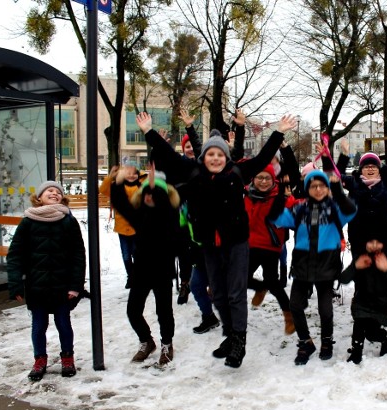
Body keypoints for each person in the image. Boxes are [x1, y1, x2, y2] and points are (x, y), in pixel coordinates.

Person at [137, 111, 298, 368]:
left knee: (235, 293)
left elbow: (262, 158)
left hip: (236, 242)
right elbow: (167, 155)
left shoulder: (237, 172)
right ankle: (230, 333)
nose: (215, 158)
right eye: (211, 154)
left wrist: (278, 131)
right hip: (209, 244)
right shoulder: (193, 171)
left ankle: (238, 342)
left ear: (226, 157)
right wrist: (148, 132)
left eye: (220, 154)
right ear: (204, 157)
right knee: (219, 295)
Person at [271, 170, 357, 365]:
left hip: (326, 265)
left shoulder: (335, 209)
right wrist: (279, 194)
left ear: (327, 188)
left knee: (325, 309)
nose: (317, 189)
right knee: (295, 305)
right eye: (313, 186)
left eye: (322, 186)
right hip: (303, 264)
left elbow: (350, 210)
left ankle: (327, 341)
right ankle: (305, 341)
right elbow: (276, 217)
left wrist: (338, 189)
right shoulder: (299, 209)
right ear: (307, 189)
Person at [7, 181, 86, 381]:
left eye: (58, 191)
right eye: (49, 190)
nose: (54, 193)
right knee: (38, 325)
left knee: (63, 323)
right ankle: (39, 359)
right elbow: (15, 254)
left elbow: (78, 255)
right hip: (37, 285)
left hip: (62, 285)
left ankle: (67, 358)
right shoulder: (28, 221)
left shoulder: (68, 220)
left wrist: (76, 286)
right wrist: (16, 283)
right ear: (39, 197)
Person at [110, 166, 181, 366]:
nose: (150, 197)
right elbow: (120, 203)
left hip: (162, 270)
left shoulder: (170, 213)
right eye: (146, 193)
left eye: (155, 194)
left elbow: (166, 210)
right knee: (133, 310)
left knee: (164, 311)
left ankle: (167, 344)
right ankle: (146, 341)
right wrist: (118, 182)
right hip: (141, 270)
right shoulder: (139, 214)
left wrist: (155, 187)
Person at [245, 164, 297, 334]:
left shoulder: (280, 198)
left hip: (269, 247)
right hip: (249, 245)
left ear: (273, 180)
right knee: (240, 277)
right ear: (253, 179)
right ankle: (260, 288)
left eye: (267, 178)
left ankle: (289, 317)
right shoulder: (246, 195)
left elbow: (295, 207)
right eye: (260, 177)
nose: (263, 181)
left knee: (273, 283)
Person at [340, 240, 387, 364]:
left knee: (371, 334)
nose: (374, 246)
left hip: (381, 307)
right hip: (362, 303)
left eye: (378, 242)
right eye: (371, 242)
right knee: (359, 322)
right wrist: (355, 266)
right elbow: (343, 279)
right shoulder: (361, 258)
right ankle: (356, 351)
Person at [99, 163, 146, 289]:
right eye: (128, 173)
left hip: (137, 228)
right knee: (126, 255)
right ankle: (131, 276)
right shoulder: (117, 187)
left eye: (134, 173)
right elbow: (103, 190)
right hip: (122, 228)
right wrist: (111, 177)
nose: (131, 176)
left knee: (137, 254)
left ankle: (137, 277)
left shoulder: (141, 186)